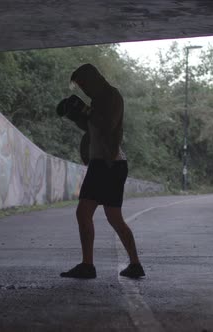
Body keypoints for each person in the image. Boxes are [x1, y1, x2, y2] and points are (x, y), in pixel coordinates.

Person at [60, 64, 145, 279]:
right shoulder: (98, 101)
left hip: (108, 164)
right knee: (114, 218)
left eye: (84, 84)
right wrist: (77, 116)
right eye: (80, 87)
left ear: (93, 79)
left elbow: (107, 126)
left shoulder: (112, 96)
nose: (83, 90)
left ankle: (88, 266)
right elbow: (92, 128)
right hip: (106, 164)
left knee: (84, 212)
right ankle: (135, 264)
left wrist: (86, 112)